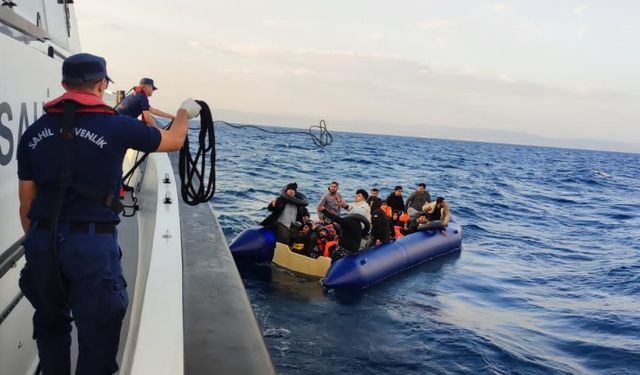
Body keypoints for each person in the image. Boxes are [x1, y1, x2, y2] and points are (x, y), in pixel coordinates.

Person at [16, 53, 200, 374]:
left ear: (63, 85)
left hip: (42, 242)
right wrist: (185, 110)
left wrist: (41, 242)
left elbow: (26, 204)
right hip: (91, 248)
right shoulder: (117, 127)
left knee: (51, 325)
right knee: (98, 336)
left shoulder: (33, 132)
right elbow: (175, 139)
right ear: (101, 85)